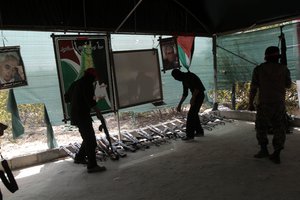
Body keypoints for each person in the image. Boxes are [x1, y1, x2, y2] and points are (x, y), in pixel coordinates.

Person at [248, 46, 292, 164]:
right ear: (278, 57)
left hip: (264, 104)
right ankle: (277, 153)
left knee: (261, 128)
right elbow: (288, 85)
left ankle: (264, 150)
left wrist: (250, 103)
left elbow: (253, 88)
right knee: (279, 128)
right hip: (279, 104)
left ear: (266, 57)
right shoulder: (284, 69)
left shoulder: (259, 69)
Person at [68, 68, 106, 173]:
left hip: (77, 114)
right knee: (91, 141)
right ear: (92, 77)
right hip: (82, 116)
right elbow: (91, 102)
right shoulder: (87, 84)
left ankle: (79, 157)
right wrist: (99, 114)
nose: (95, 80)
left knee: (87, 137)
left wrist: (77, 100)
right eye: (95, 78)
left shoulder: (77, 83)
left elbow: (66, 97)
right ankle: (92, 166)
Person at [171, 68, 206, 140]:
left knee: (190, 115)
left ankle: (190, 135)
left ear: (178, 75)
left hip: (199, 95)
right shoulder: (184, 80)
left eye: (175, 78)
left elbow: (197, 89)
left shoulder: (190, 76)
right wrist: (179, 104)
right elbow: (185, 94)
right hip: (196, 96)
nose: (175, 79)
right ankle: (199, 132)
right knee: (194, 114)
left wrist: (193, 98)